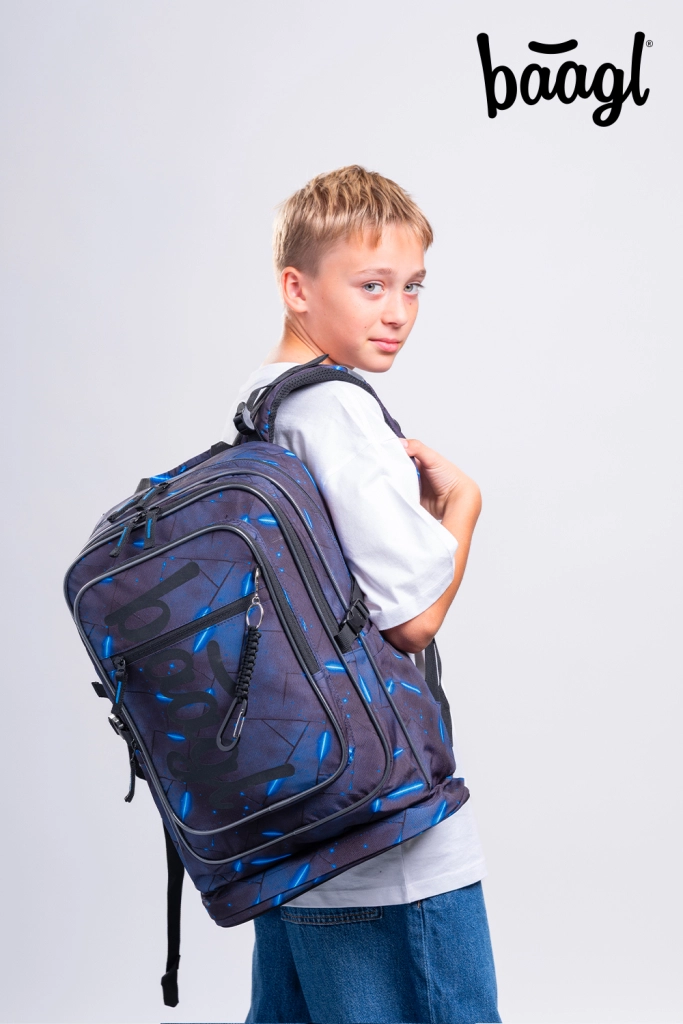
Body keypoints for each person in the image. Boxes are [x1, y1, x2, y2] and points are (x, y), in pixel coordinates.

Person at [223, 165, 501, 1024]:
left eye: (412, 286)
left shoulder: (262, 407)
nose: (397, 312)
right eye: (371, 284)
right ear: (296, 288)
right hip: (390, 842)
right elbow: (411, 622)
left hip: (297, 827)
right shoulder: (338, 413)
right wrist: (463, 509)